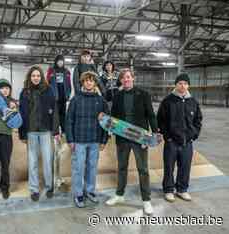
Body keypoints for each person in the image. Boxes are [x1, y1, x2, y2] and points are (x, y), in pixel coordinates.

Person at [105, 68, 158, 215]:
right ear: (121, 81)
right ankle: (119, 195)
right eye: (123, 78)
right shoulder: (117, 96)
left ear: (133, 78)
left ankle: (146, 200)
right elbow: (113, 115)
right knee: (122, 167)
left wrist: (154, 133)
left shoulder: (144, 94)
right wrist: (110, 128)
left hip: (139, 137)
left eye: (128, 77)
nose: (126, 80)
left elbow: (151, 115)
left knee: (143, 170)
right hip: (122, 137)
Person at [157, 73, 202, 203]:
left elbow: (198, 120)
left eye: (185, 84)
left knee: (185, 167)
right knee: (169, 167)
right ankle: (169, 190)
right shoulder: (168, 101)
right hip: (172, 142)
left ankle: (182, 189)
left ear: (188, 86)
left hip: (187, 142)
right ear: (176, 85)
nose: (183, 86)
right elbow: (160, 120)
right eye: (180, 83)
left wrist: (193, 135)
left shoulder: (193, 102)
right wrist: (168, 137)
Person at [66, 71, 108, 208]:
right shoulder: (75, 100)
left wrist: (103, 140)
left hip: (95, 140)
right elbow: (69, 121)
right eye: (86, 81)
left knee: (92, 167)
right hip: (79, 140)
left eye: (91, 80)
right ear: (83, 83)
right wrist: (70, 140)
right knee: (78, 168)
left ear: (95, 83)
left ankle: (89, 191)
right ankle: (78, 194)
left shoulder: (101, 101)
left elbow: (106, 122)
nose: (89, 83)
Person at [19, 65, 59, 201]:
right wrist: (22, 134)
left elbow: (54, 111)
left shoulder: (49, 91)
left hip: (45, 131)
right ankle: (34, 189)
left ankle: (49, 186)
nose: (35, 78)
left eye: (38, 76)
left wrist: (55, 130)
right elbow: (22, 114)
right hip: (31, 132)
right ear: (30, 77)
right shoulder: (24, 92)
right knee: (33, 162)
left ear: (41, 77)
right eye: (33, 76)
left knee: (48, 161)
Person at [46, 55, 71, 135]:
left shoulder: (66, 71)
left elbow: (69, 84)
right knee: (55, 114)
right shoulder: (51, 70)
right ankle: (55, 131)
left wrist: (68, 94)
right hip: (54, 96)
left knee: (63, 114)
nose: (60, 62)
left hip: (63, 95)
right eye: (59, 61)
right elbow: (47, 82)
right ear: (56, 62)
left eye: (62, 61)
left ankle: (64, 130)